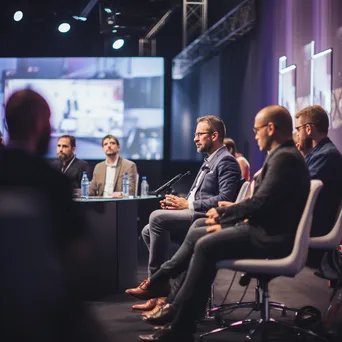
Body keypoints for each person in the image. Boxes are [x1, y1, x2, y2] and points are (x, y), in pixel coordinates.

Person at [133, 105, 310, 342]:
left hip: (270, 237)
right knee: (198, 230)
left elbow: (260, 203)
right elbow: (263, 203)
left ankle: (174, 309)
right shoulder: (282, 156)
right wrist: (229, 215)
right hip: (263, 229)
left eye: (257, 130)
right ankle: (170, 298)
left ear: (271, 128)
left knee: (206, 244)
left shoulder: (285, 158)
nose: (255, 135)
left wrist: (224, 216)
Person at [0, 89, 109, 342]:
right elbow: (78, 258)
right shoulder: (52, 182)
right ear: (41, 124)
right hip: (39, 311)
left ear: (7, 122)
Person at [126, 115, 242, 311]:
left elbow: (226, 200)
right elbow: (197, 194)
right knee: (148, 230)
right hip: (195, 213)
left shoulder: (226, 162)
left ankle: (157, 284)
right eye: (195, 134)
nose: (195, 139)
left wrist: (188, 205)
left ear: (214, 135)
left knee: (156, 218)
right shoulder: (210, 160)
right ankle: (162, 296)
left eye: (199, 134)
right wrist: (176, 204)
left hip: (206, 219)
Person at [295, 105, 342, 238]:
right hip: (305, 222)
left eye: (298, 129)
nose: (297, 134)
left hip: (311, 227)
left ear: (308, 129)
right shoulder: (317, 153)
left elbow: (299, 190)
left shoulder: (326, 155)